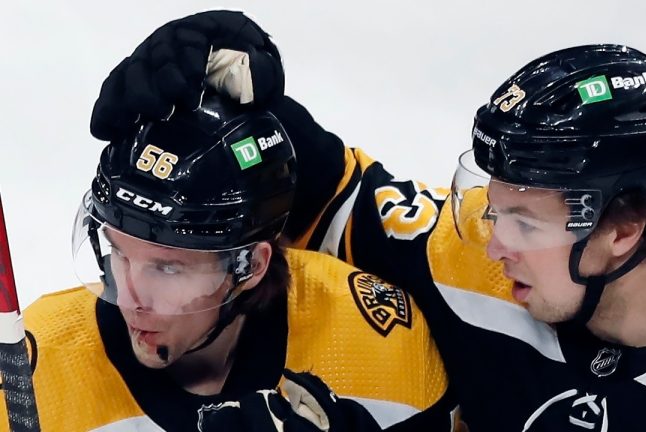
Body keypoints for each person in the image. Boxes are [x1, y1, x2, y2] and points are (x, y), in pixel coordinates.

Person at [91, 11, 646, 432]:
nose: (492, 243)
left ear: (624, 228)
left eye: (526, 224)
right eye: (492, 204)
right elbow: (328, 195)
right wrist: (223, 78)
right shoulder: (472, 254)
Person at [0, 29, 457, 430]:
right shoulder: (33, 367)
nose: (130, 295)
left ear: (251, 266)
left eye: (168, 269)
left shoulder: (379, 347)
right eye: (119, 253)